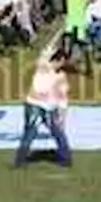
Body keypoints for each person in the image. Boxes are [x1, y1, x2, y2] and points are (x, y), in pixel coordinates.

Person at [16, 30, 73, 168]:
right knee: (30, 132)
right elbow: (46, 50)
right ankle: (20, 160)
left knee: (58, 132)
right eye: (62, 62)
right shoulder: (43, 66)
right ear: (57, 60)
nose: (62, 65)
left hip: (49, 108)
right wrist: (58, 34)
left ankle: (66, 159)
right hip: (34, 105)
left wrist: (63, 117)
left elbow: (63, 100)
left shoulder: (61, 77)